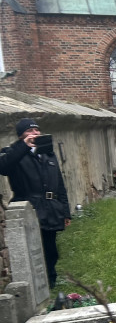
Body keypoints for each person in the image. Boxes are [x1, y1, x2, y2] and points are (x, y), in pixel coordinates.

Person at [0, 118, 71, 288]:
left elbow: (60, 185)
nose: (35, 133)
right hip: (28, 206)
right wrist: (23, 146)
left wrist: (65, 211)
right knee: (31, 248)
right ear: (21, 135)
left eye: (37, 130)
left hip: (50, 207)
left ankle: (50, 279)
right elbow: (4, 167)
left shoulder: (48, 154)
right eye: (30, 131)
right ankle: (34, 281)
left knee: (50, 247)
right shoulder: (13, 153)